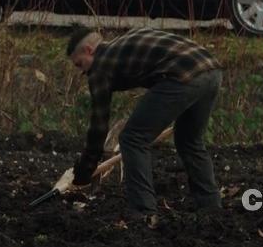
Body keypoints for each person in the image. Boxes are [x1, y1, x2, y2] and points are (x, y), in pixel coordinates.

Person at [66, 26, 223, 225]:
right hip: (211, 70)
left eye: (80, 64)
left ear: (89, 50)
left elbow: (98, 127)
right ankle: (211, 207)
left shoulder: (100, 66)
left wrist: (84, 172)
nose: (83, 72)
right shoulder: (124, 42)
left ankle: (143, 212)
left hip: (181, 77)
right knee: (189, 141)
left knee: (132, 138)